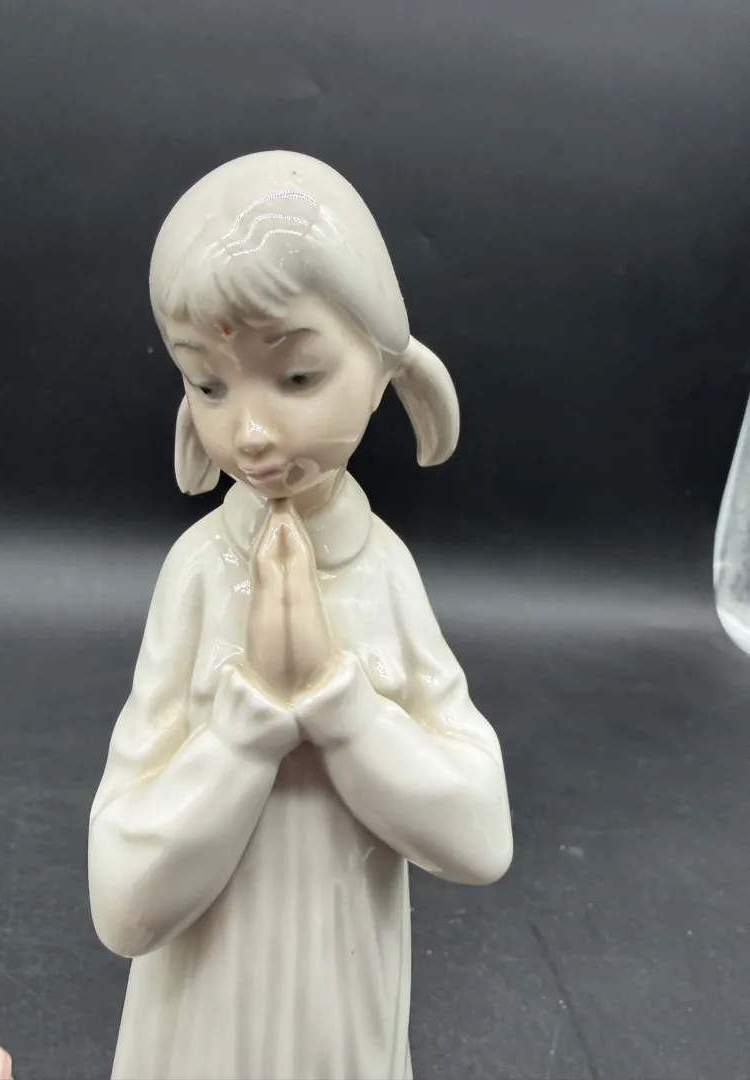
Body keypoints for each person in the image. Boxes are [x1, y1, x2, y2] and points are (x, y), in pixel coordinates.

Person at [88, 151, 513, 1080]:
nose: (249, 433)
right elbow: (122, 900)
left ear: (384, 365)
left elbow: (481, 837)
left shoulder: (382, 577)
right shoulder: (198, 577)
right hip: (198, 1026)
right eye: (208, 384)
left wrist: (339, 704)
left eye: (297, 376)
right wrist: (247, 728)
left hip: (339, 1015)